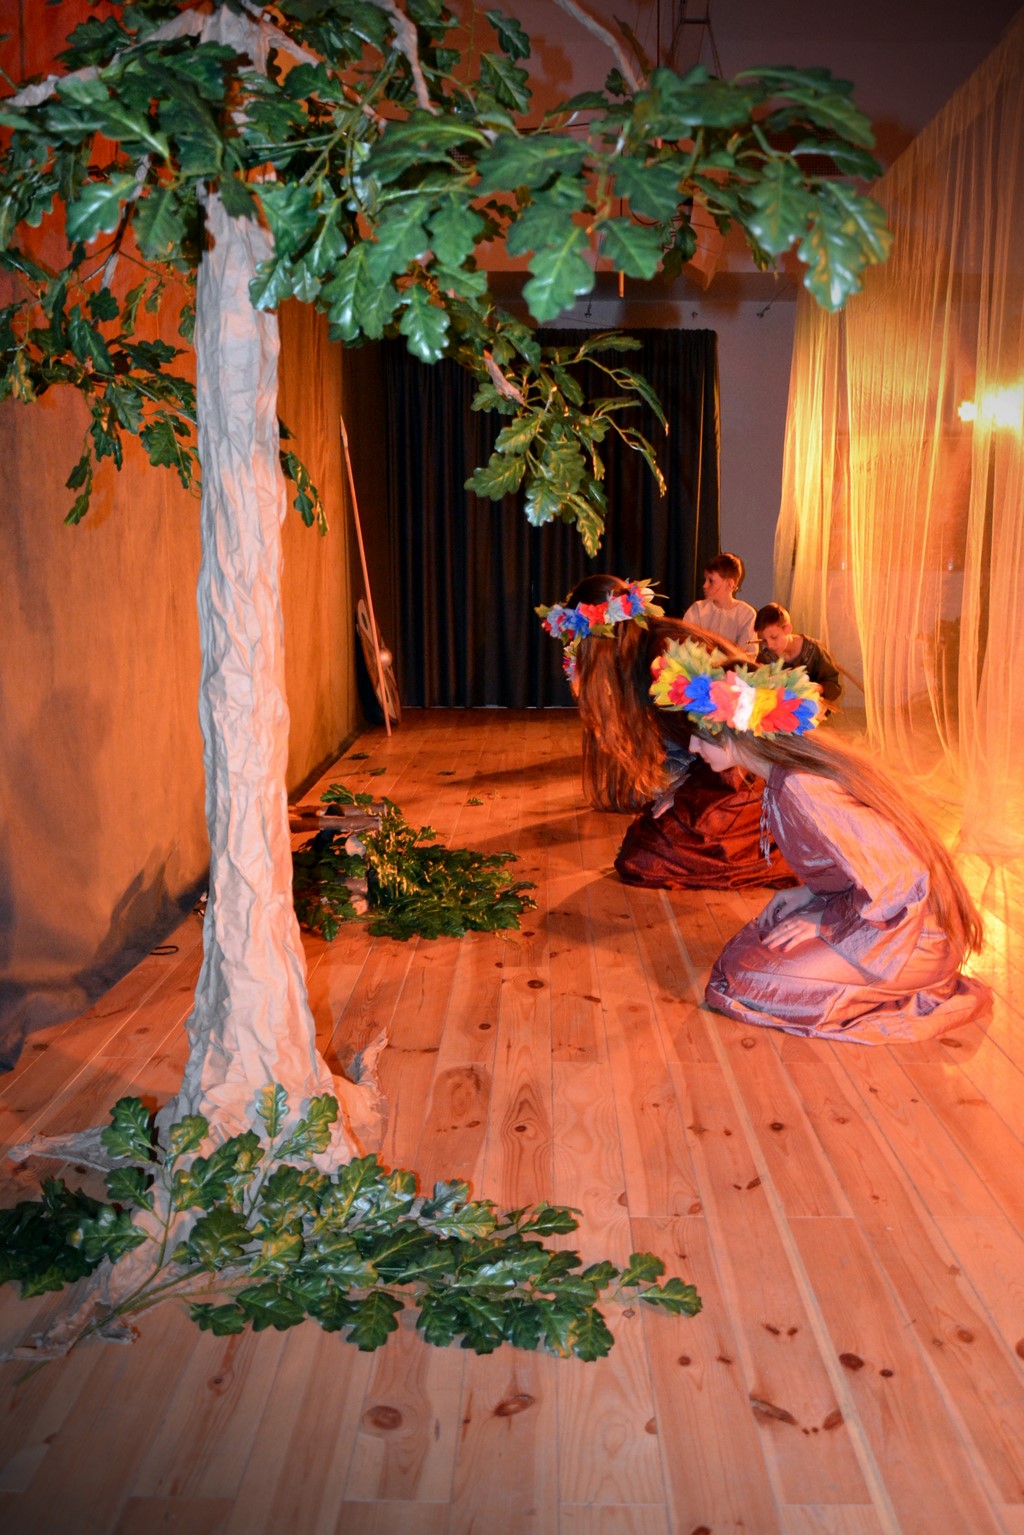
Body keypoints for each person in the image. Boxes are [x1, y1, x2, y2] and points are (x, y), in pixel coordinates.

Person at [650, 638, 991, 1042]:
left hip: (909, 936)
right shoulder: (783, 776)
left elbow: (903, 877)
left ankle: (903, 985)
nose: (692, 747)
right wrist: (807, 894)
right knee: (743, 961)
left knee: (746, 980)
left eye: (701, 736)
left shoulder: (801, 787)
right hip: (884, 917)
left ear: (737, 731)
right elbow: (857, 861)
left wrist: (825, 922)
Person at [536, 575, 795, 890]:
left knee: (643, 859)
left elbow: (729, 739)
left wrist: (683, 791)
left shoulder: (664, 656)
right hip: (719, 764)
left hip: (748, 769)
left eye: (582, 644)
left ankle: (784, 842)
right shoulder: (639, 649)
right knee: (647, 830)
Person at [755, 601, 843, 707]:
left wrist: (818, 688)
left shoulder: (814, 650)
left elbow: (834, 686)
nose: (769, 645)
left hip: (812, 710)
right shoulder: (765, 658)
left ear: (787, 629)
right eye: (764, 640)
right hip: (778, 711)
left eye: (774, 637)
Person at [683, 552, 758, 657]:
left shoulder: (746, 614)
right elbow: (684, 645)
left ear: (729, 584)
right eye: (705, 580)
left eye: (711, 581)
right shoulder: (697, 609)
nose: (705, 585)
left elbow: (747, 655)